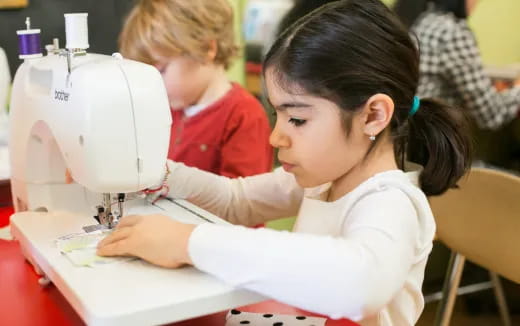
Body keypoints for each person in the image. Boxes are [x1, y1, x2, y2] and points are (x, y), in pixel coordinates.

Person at [98, 0, 472, 325]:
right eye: (276, 115)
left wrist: (189, 242)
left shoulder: (390, 200)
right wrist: (167, 176)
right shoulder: (321, 178)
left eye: (297, 119)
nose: (275, 137)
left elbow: (361, 282)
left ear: (373, 115)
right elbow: (237, 199)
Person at [119, 0, 273, 178]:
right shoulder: (169, 110)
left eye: (161, 70)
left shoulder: (243, 116)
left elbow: (244, 200)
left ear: (207, 48)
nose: (152, 85)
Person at [393, 0, 520, 131]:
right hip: (428, 136)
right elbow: (491, 115)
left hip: (408, 129)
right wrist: (517, 89)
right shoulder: (451, 32)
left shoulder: (425, 21)